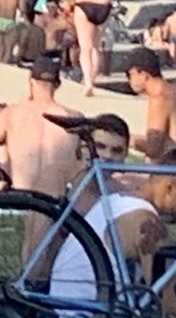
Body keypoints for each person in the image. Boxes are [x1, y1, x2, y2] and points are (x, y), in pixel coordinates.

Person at [49, 114, 173, 310]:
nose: (107, 155)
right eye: (101, 147)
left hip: (63, 305)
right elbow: (169, 301)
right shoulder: (146, 221)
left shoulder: (119, 199)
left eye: (116, 150)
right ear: (170, 187)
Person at [0, 57, 82, 198]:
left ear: (31, 82)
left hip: (22, 197)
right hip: (57, 200)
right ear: (57, 85)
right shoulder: (74, 118)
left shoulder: (13, 113)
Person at [124, 47, 176, 161]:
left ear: (142, 73)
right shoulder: (172, 91)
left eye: (129, 75)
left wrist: (127, 140)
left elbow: (154, 150)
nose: (128, 80)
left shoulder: (159, 98)